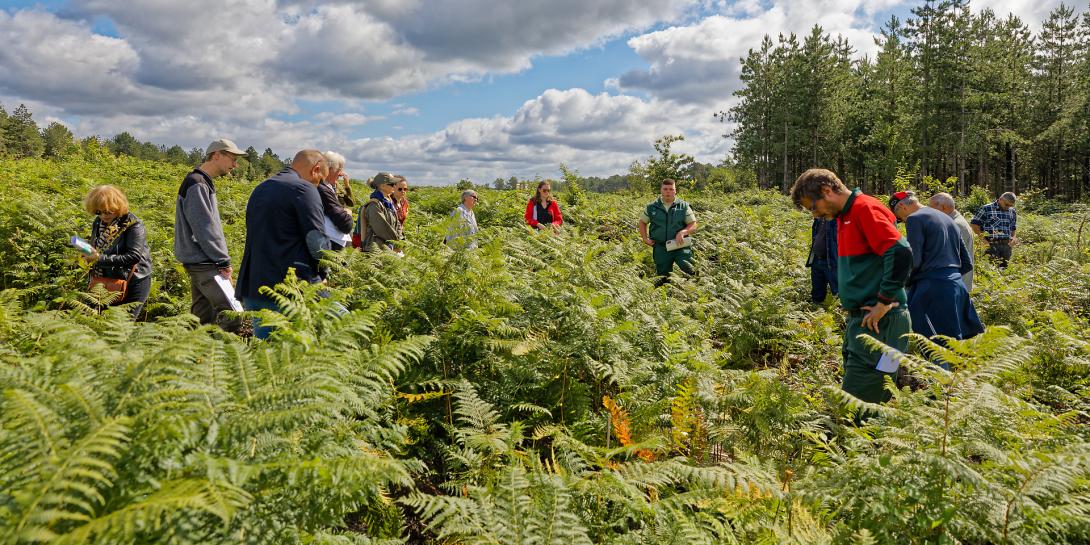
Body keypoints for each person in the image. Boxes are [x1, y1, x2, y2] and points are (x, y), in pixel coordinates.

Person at [790, 169, 912, 404]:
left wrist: (884, 301)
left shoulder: (864, 209)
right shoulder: (844, 216)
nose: (815, 215)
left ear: (827, 191)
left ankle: (867, 439)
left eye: (813, 207)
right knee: (868, 393)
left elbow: (900, 252)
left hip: (881, 324)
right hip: (864, 322)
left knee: (861, 403)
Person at [235, 150, 330, 339]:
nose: (319, 185)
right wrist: (324, 272)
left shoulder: (261, 188)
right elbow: (316, 240)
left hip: (254, 285)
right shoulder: (304, 189)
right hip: (289, 289)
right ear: (316, 169)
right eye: (321, 179)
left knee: (268, 359)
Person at [890, 191, 983, 355]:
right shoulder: (950, 219)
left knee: (935, 346)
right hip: (957, 288)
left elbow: (915, 260)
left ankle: (941, 380)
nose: (904, 222)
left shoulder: (915, 219)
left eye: (901, 218)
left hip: (932, 291)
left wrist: (900, 284)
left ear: (903, 207)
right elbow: (966, 262)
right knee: (957, 346)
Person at [174, 138, 245, 332]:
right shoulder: (197, 184)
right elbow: (204, 228)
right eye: (232, 158)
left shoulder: (201, 182)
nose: (235, 165)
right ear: (216, 155)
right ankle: (225, 356)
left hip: (200, 261)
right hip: (205, 263)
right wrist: (223, 262)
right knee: (232, 314)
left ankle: (194, 356)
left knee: (202, 317)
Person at [82, 185, 152, 319]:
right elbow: (97, 247)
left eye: (108, 212)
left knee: (122, 325)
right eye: (98, 212)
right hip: (106, 279)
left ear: (118, 206)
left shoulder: (134, 225)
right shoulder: (98, 223)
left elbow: (134, 256)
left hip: (133, 281)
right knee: (101, 322)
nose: (103, 216)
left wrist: (99, 258)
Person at [639, 178, 697, 279]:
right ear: (661, 190)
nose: (668, 192)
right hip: (661, 248)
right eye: (665, 189)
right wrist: (645, 238)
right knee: (662, 278)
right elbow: (642, 222)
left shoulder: (683, 206)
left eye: (671, 189)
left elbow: (693, 224)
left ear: (675, 191)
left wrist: (683, 232)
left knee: (689, 271)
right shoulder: (651, 207)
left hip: (681, 246)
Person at [928, 192, 974, 291]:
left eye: (932, 208)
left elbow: (947, 257)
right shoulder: (954, 220)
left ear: (943, 207)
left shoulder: (954, 225)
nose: (930, 211)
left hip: (954, 283)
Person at [358, 172, 403, 253]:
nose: (395, 186)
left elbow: (397, 224)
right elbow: (382, 229)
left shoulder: (388, 202)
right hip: (376, 250)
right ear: (382, 186)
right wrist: (397, 243)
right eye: (392, 184)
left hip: (387, 247)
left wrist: (399, 240)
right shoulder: (374, 205)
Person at [971, 191, 1017, 268]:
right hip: (991, 244)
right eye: (1006, 204)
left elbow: (1013, 227)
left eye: (1010, 205)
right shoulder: (986, 208)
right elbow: (974, 224)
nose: (1008, 207)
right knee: (991, 270)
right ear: (1000, 199)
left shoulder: (1012, 211)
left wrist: (1013, 238)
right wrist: (983, 241)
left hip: (1006, 246)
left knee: (1004, 271)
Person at [318, 151, 353, 250]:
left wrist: (347, 186)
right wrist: (348, 213)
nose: (341, 173)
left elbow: (351, 202)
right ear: (328, 169)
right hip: (330, 241)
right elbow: (345, 224)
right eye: (339, 169)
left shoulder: (331, 186)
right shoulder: (322, 188)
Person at [806, 217, 838, 304]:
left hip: (831, 261)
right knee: (817, 292)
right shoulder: (818, 218)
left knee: (837, 292)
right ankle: (817, 311)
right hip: (816, 259)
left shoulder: (836, 218)